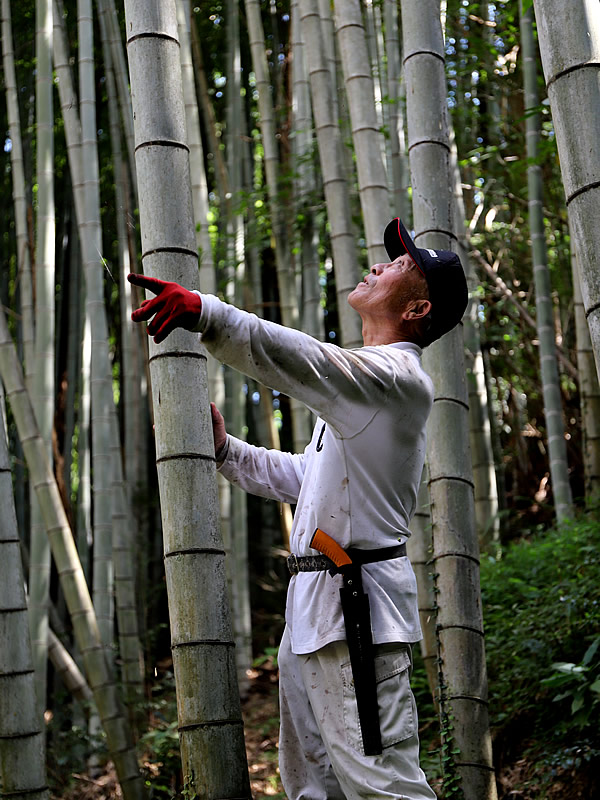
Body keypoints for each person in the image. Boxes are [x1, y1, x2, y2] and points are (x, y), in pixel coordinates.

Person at [129, 217, 468, 800]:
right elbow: (306, 479)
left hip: (355, 609)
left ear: (416, 310)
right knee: (315, 783)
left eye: (401, 266)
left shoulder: (395, 378)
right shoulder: (362, 392)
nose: (380, 265)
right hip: (316, 606)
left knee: (383, 785)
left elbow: (304, 358)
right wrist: (226, 451)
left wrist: (208, 314)